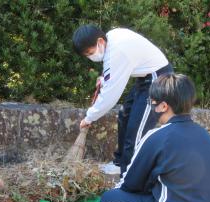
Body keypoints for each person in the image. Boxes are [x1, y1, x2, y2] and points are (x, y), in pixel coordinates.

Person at [99, 74, 210, 202]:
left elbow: (130, 185)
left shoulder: (157, 137)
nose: (151, 107)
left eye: (152, 103)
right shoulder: (204, 134)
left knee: (109, 201)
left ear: (163, 106)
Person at [72, 24, 174, 175]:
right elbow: (111, 72)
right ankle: (120, 163)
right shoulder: (111, 38)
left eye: (90, 52)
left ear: (100, 41)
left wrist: (89, 117)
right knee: (124, 115)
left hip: (158, 80)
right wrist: (104, 79)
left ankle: (129, 178)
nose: (90, 57)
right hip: (145, 78)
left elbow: (110, 96)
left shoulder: (117, 51)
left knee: (137, 131)